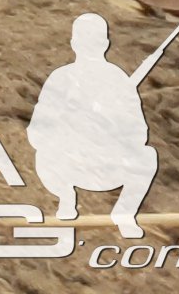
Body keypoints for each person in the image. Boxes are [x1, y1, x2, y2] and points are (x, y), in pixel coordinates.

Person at [29, 13, 160, 238]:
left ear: (105, 44)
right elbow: (38, 130)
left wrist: (111, 127)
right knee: (44, 154)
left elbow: (138, 132)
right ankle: (66, 200)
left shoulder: (118, 81)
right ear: (74, 43)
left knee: (147, 157)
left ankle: (124, 214)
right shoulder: (61, 78)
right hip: (67, 163)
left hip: (106, 164)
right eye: (84, 39)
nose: (89, 46)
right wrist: (70, 129)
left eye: (95, 40)